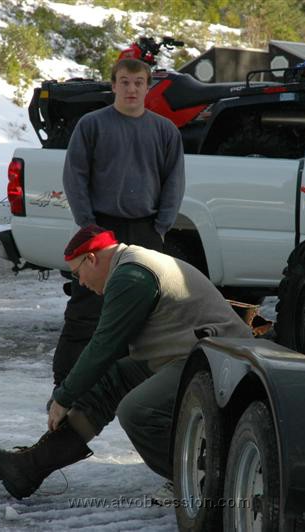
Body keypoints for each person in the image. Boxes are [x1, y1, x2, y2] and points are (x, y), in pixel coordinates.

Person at [0, 226, 251, 499]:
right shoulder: (128, 266)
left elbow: (104, 345)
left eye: (77, 273)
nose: (80, 283)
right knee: (108, 382)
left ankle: (201, 481)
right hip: (184, 354)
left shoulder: (131, 276)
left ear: (92, 258)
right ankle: (27, 469)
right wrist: (75, 396)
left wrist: (64, 397)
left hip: (217, 359)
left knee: (137, 411)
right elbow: (110, 351)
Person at [53, 57, 186, 389]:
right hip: (101, 230)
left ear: (147, 87)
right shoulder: (92, 125)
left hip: (146, 230)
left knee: (143, 310)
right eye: (125, 82)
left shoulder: (164, 130)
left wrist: (161, 226)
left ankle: (131, 386)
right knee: (86, 309)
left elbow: (174, 181)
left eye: (138, 83)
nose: (131, 89)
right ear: (113, 85)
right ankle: (66, 384)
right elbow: (75, 177)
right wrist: (89, 226)